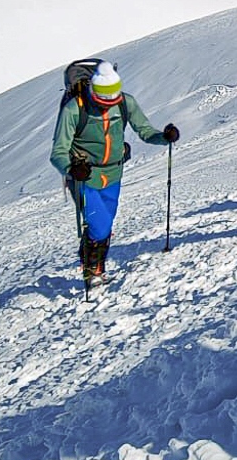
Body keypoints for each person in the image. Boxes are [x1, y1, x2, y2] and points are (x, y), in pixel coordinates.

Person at [49, 61, 178, 289]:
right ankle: (93, 272)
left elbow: (145, 131)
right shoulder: (74, 108)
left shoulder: (126, 103)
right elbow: (58, 151)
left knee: (105, 224)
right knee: (99, 225)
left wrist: (164, 137)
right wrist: (71, 169)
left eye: (112, 98)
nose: (108, 103)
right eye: (103, 99)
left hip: (114, 173)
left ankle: (95, 265)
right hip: (84, 176)